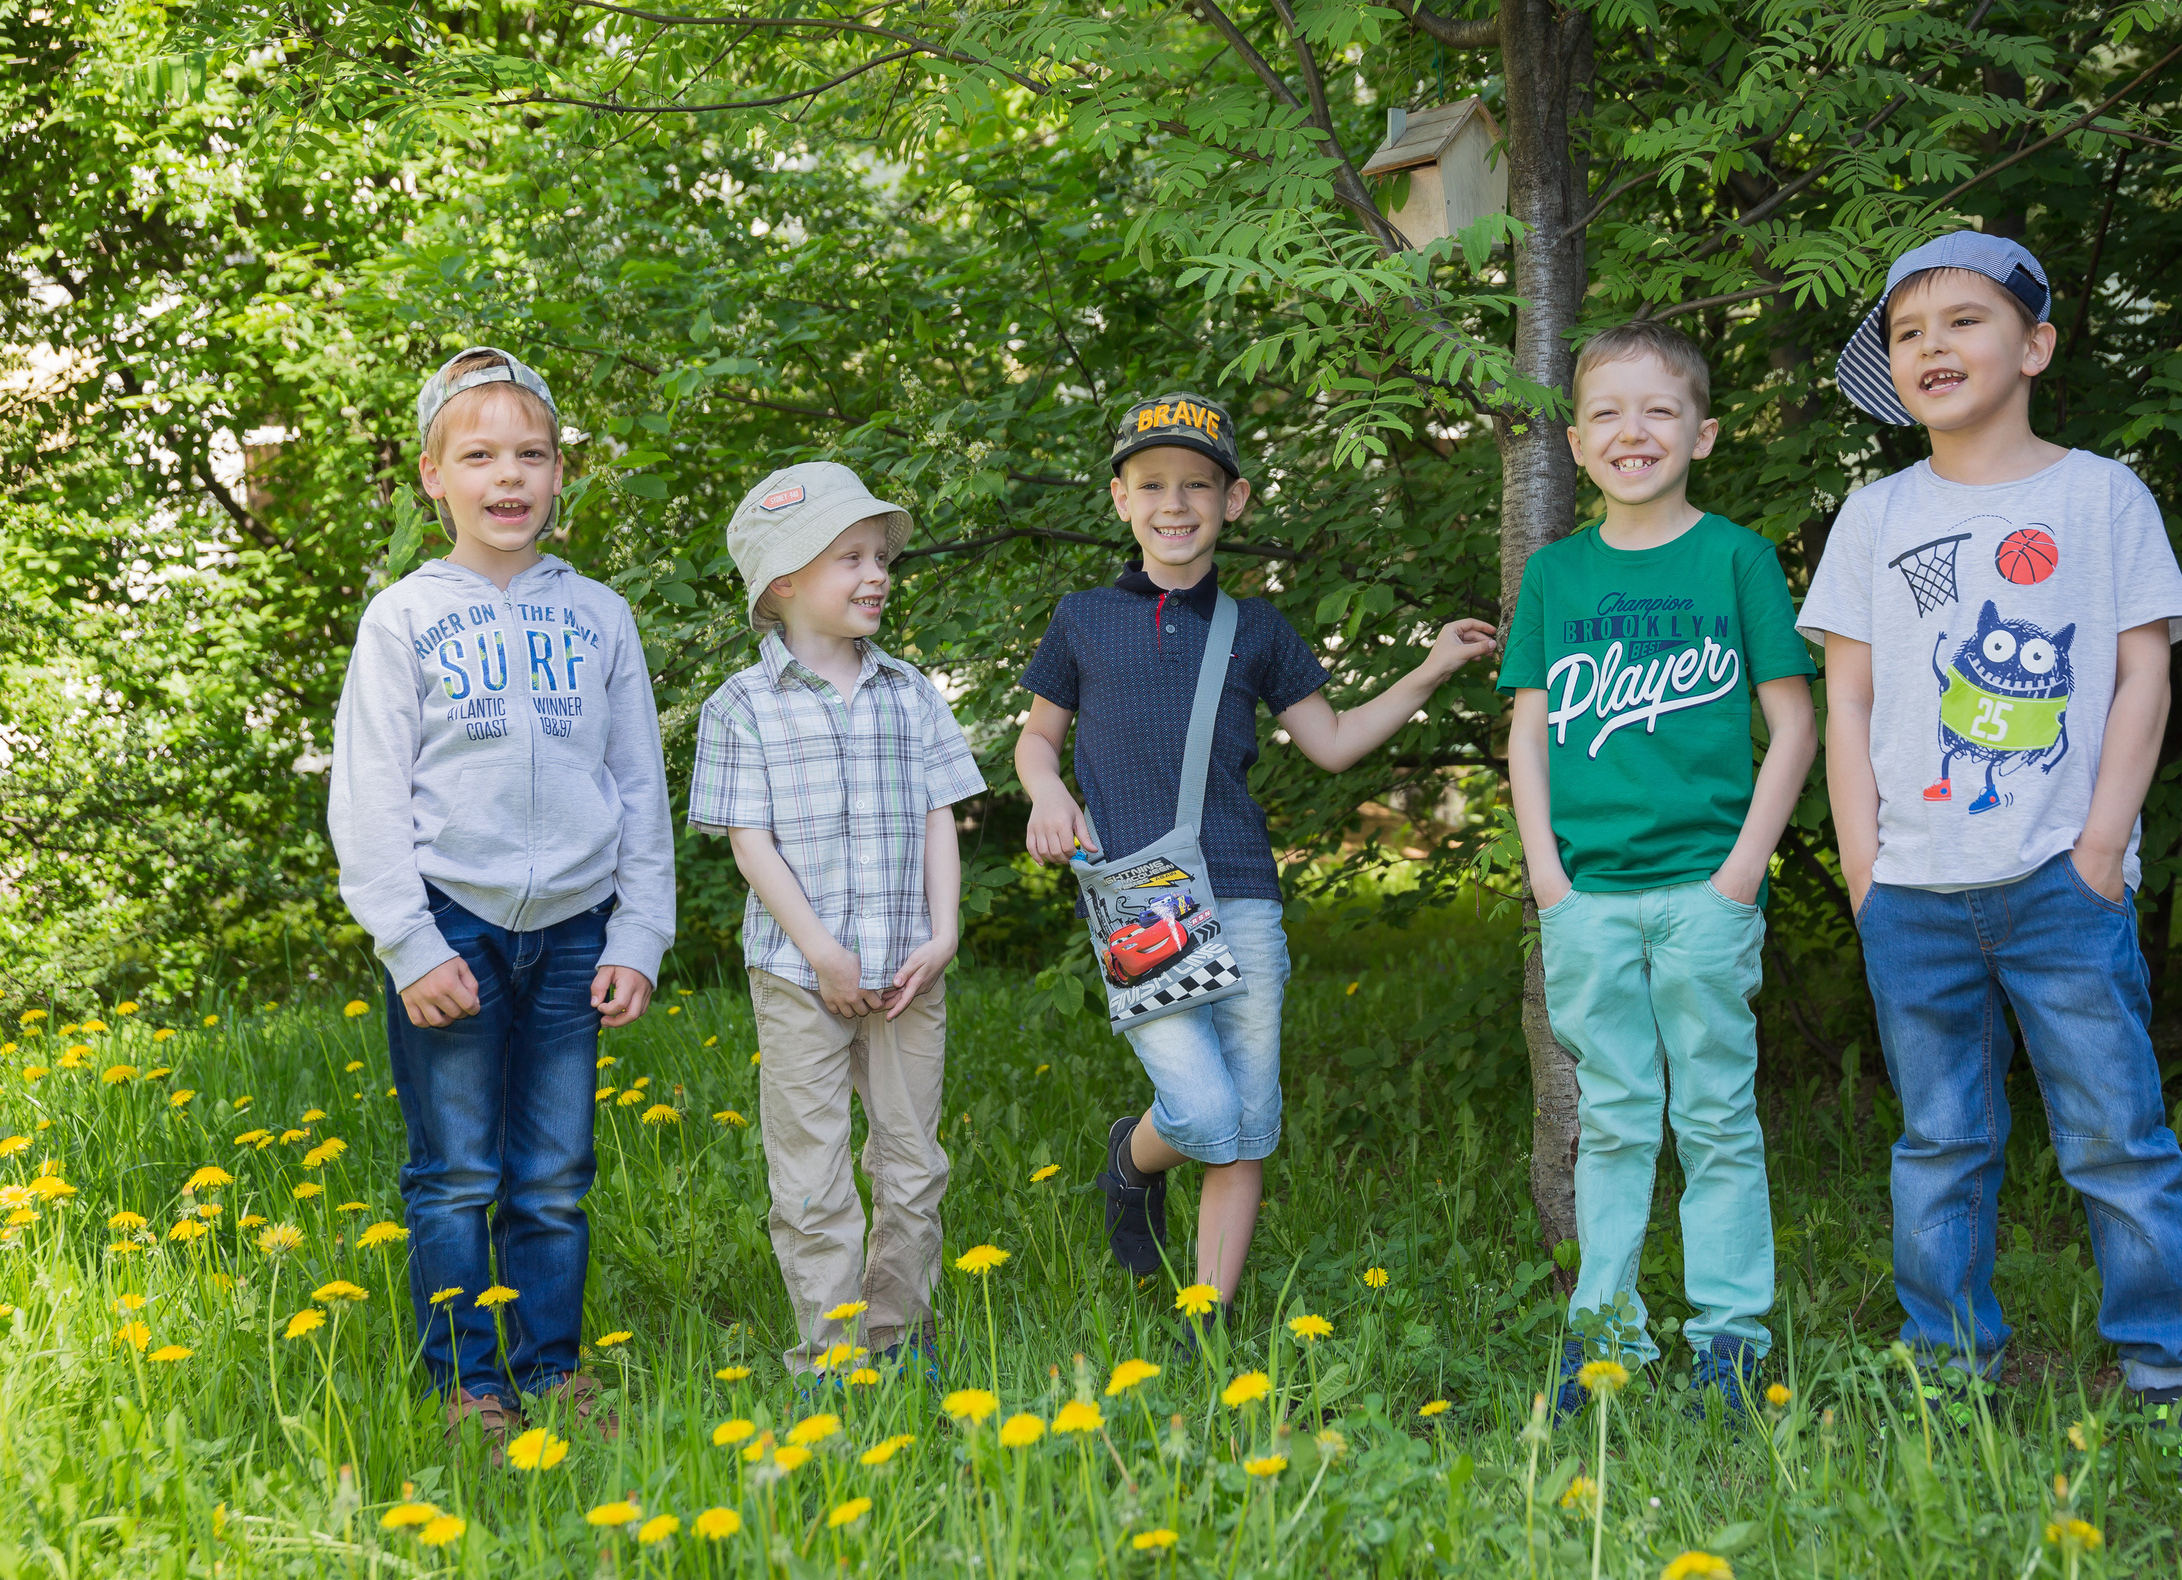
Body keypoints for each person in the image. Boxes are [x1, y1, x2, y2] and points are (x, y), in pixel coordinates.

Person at [1801, 230, 2182, 1456]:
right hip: (1915, 892)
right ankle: (1947, 1372)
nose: (1932, 345)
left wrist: (2101, 846)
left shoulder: (2099, 495)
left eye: (1964, 320)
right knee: (1940, 1143)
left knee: (2115, 1138)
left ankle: (2169, 1376)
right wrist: (1863, 866)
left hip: (2060, 882)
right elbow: (1849, 699)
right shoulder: (1876, 515)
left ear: (2034, 345)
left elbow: (2145, 671)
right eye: (1908, 331)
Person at [1015, 392, 1496, 1319]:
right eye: (1152, 484)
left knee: (1246, 1125)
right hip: (1137, 898)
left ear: (1233, 502)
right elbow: (1038, 740)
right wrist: (1048, 792)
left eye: (1198, 485)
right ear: (1120, 498)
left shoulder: (1260, 629)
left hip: (1241, 892)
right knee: (1198, 1112)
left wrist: (1431, 667)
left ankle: (1210, 1320)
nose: (1175, 503)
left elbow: (1337, 740)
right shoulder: (1081, 618)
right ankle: (1132, 1158)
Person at [329, 347, 674, 1454]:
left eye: (532, 454)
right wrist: (408, 941)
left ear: (561, 474)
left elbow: (636, 786)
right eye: (479, 455)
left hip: (574, 929)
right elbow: (368, 793)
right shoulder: (403, 619)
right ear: (433, 477)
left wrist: (640, 928)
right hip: (452, 925)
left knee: (555, 1175)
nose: (508, 476)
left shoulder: (602, 617)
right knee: (457, 1173)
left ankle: (553, 1370)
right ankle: (469, 1386)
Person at [1500, 322, 1819, 1418]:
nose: (1632, 431)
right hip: (1587, 897)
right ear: (1577, 445)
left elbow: (1793, 725)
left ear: (1703, 431)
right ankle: (1608, 1338)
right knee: (1617, 1115)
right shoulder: (1557, 573)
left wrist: (1741, 874)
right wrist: (1548, 878)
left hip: (1704, 893)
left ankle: (1730, 1337)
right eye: (1606, 414)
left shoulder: (1733, 557)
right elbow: (1529, 731)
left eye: (1658, 410)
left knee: (1718, 1116)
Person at [689, 464, 985, 1381]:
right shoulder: (739, 707)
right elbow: (750, 844)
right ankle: (834, 1350)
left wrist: (944, 934)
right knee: (813, 1173)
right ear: (784, 582)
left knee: (912, 1159)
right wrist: (821, 951)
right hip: (796, 970)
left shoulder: (911, 692)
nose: (877, 574)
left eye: (880, 556)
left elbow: (942, 812)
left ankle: (897, 1340)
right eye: (849, 557)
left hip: (909, 970)